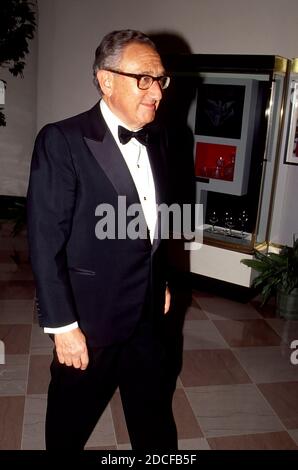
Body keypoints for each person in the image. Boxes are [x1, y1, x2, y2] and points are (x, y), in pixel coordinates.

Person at [27, 29, 178, 451]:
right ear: (105, 80)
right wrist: (63, 327)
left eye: (160, 79)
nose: (157, 92)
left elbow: (151, 220)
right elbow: (44, 239)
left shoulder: (160, 138)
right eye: (144, 78)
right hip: (89, 322)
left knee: (154, 422)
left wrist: (159, 279)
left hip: (147, 315)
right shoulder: (63, 141)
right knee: (68, 426)